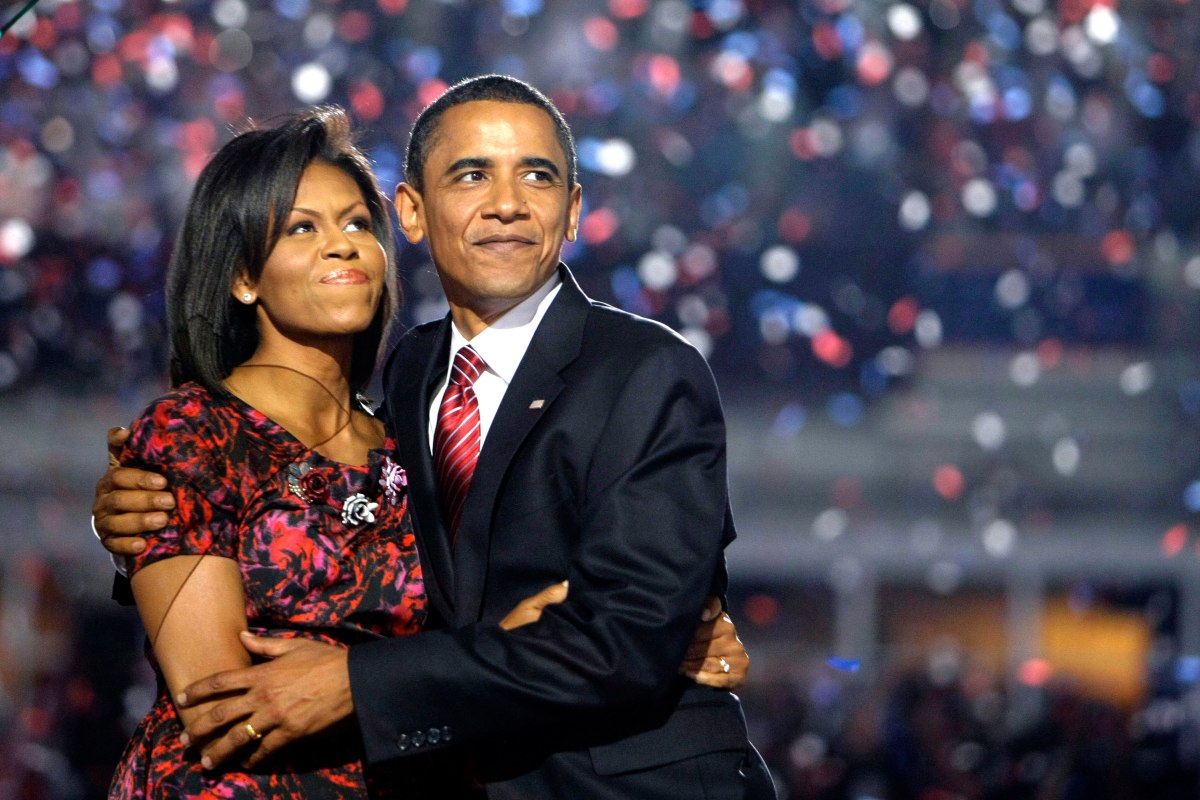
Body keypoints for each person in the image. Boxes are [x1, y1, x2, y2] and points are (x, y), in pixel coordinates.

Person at [96, 75, 774, 799]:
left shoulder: (647, 371)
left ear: (573, 210)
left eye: (537, 176)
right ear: (415, 213)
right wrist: (145, 514)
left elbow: (626, 638)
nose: (507, 203)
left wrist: (364, 683)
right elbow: (229, 681)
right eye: (472, 174)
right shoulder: (414, 378)